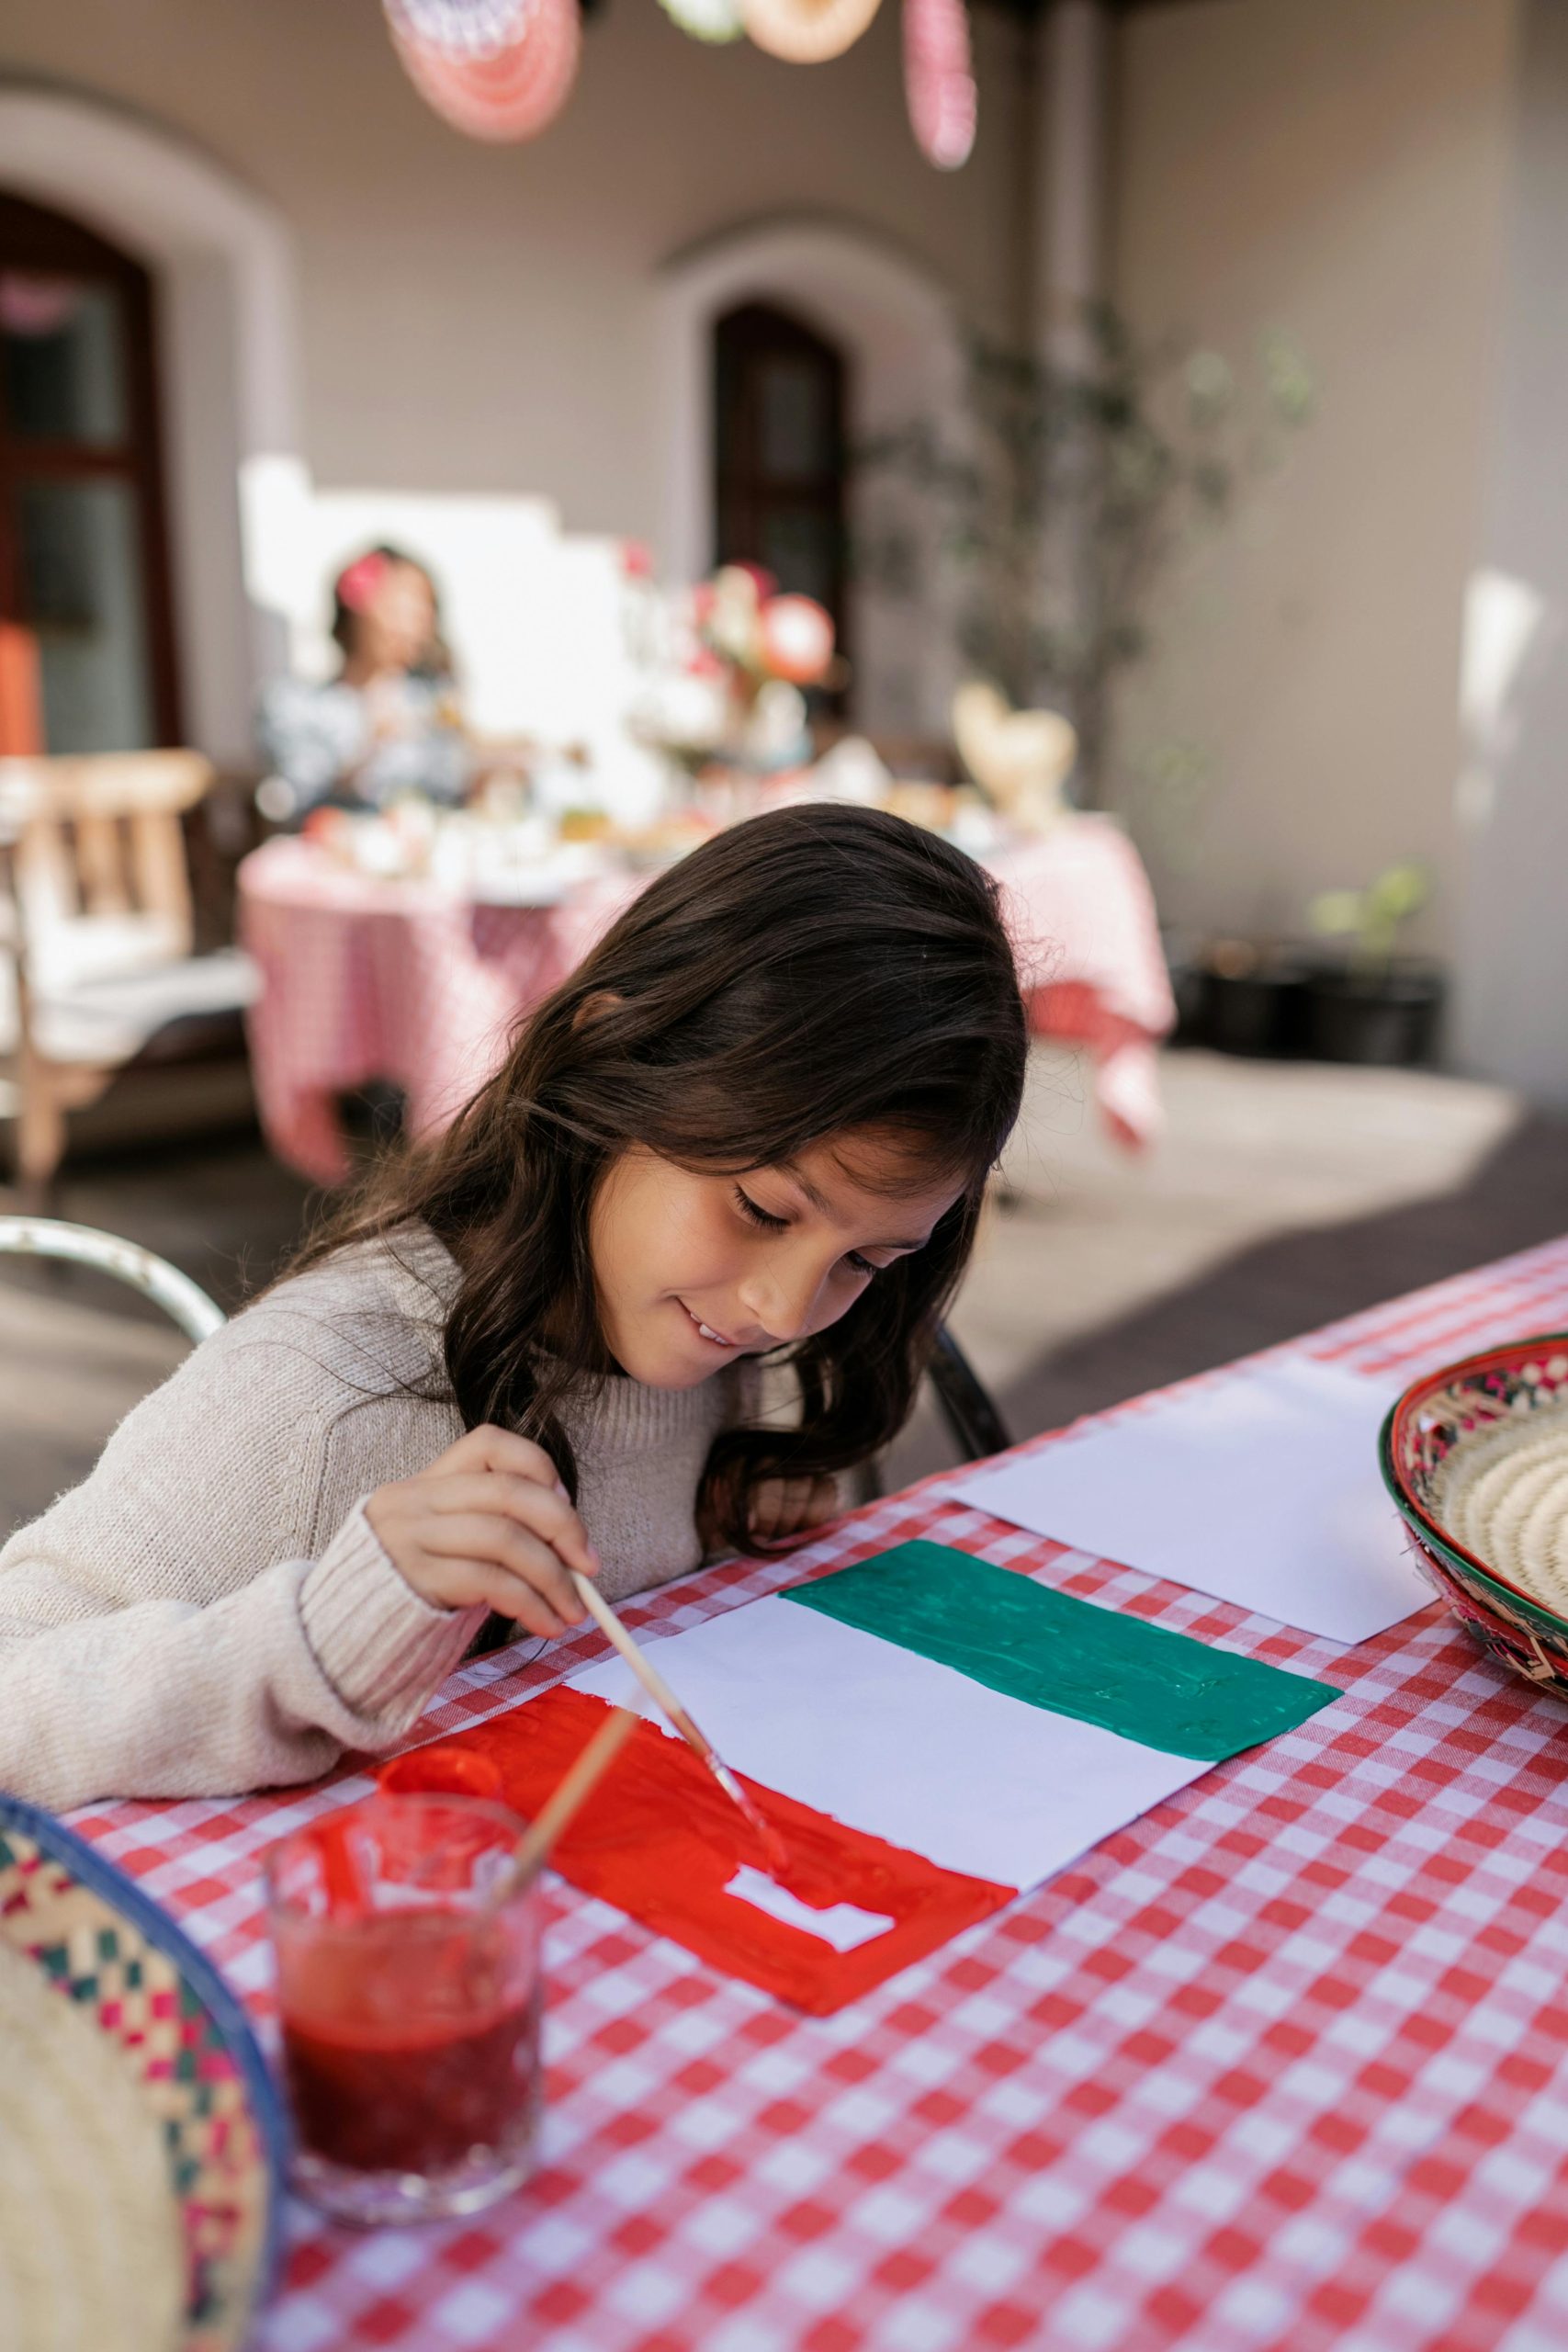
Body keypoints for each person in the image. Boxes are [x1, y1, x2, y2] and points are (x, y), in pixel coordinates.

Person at [0, 806, 1027, 1811]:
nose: (786, 1309)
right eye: (761, 1210)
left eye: (865, 1261)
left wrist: (720, 1527)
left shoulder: (695, 1339)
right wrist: (330, 1624)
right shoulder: (320, 1394)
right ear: (608, 1058)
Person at [256, 543, 469, 821]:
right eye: (401, 606)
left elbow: (451, 786)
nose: (417, 622)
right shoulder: (296, 704)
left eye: (425, 607)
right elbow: (288, 797)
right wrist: (367, 747)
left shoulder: (431, 700)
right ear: (358, 611)